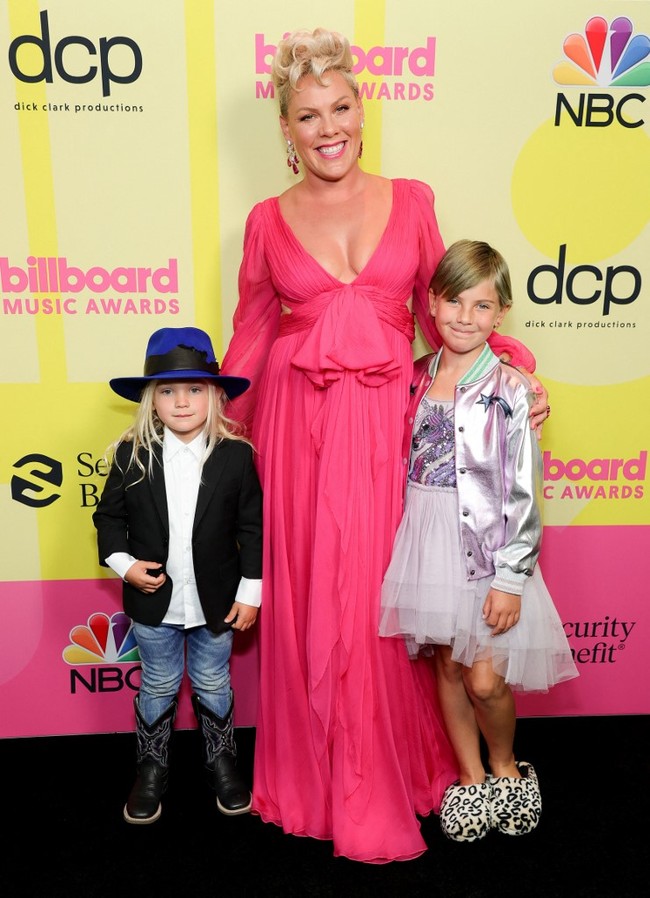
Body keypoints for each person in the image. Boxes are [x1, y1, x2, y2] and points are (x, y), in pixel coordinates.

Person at [221, 28, 549, 863]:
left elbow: (450, 309)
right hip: (299, 433)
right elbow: (253, 334)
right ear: (285, 131)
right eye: (307, 115)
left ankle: (392, 774)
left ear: (363, 112)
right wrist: (220, 432)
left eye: (341, 107)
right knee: (315, 604)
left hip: (386, 434)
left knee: (378, 605)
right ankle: (320, 779)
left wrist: (515, 369)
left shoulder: (411, 198)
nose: (328, 127)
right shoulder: (265, 221)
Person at [380, 240, 578, 843]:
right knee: (445, 662)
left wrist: (511, 577)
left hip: (487, 549)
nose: (466, 317)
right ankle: (468, 777)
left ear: (502, 312)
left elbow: (523, 489)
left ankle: (504, 765)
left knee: (486, 678)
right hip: (425, 537)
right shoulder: (413, 377)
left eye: (483, 306)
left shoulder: (513, 390)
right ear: (432, 303)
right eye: (454, 301)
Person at [93, 327, 263, 824]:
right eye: (168, 391)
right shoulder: (133, 455)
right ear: (151, 399)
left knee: (213, 681)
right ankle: (151, 769)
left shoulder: (236, 456)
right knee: (159, 684)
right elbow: (108, 519)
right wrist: (124, 566)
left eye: (194, 390)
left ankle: (222, 762)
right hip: (153, 602)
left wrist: (250, 591)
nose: (182, 402)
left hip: (217, 601)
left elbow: (251, 528)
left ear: (215, 396)